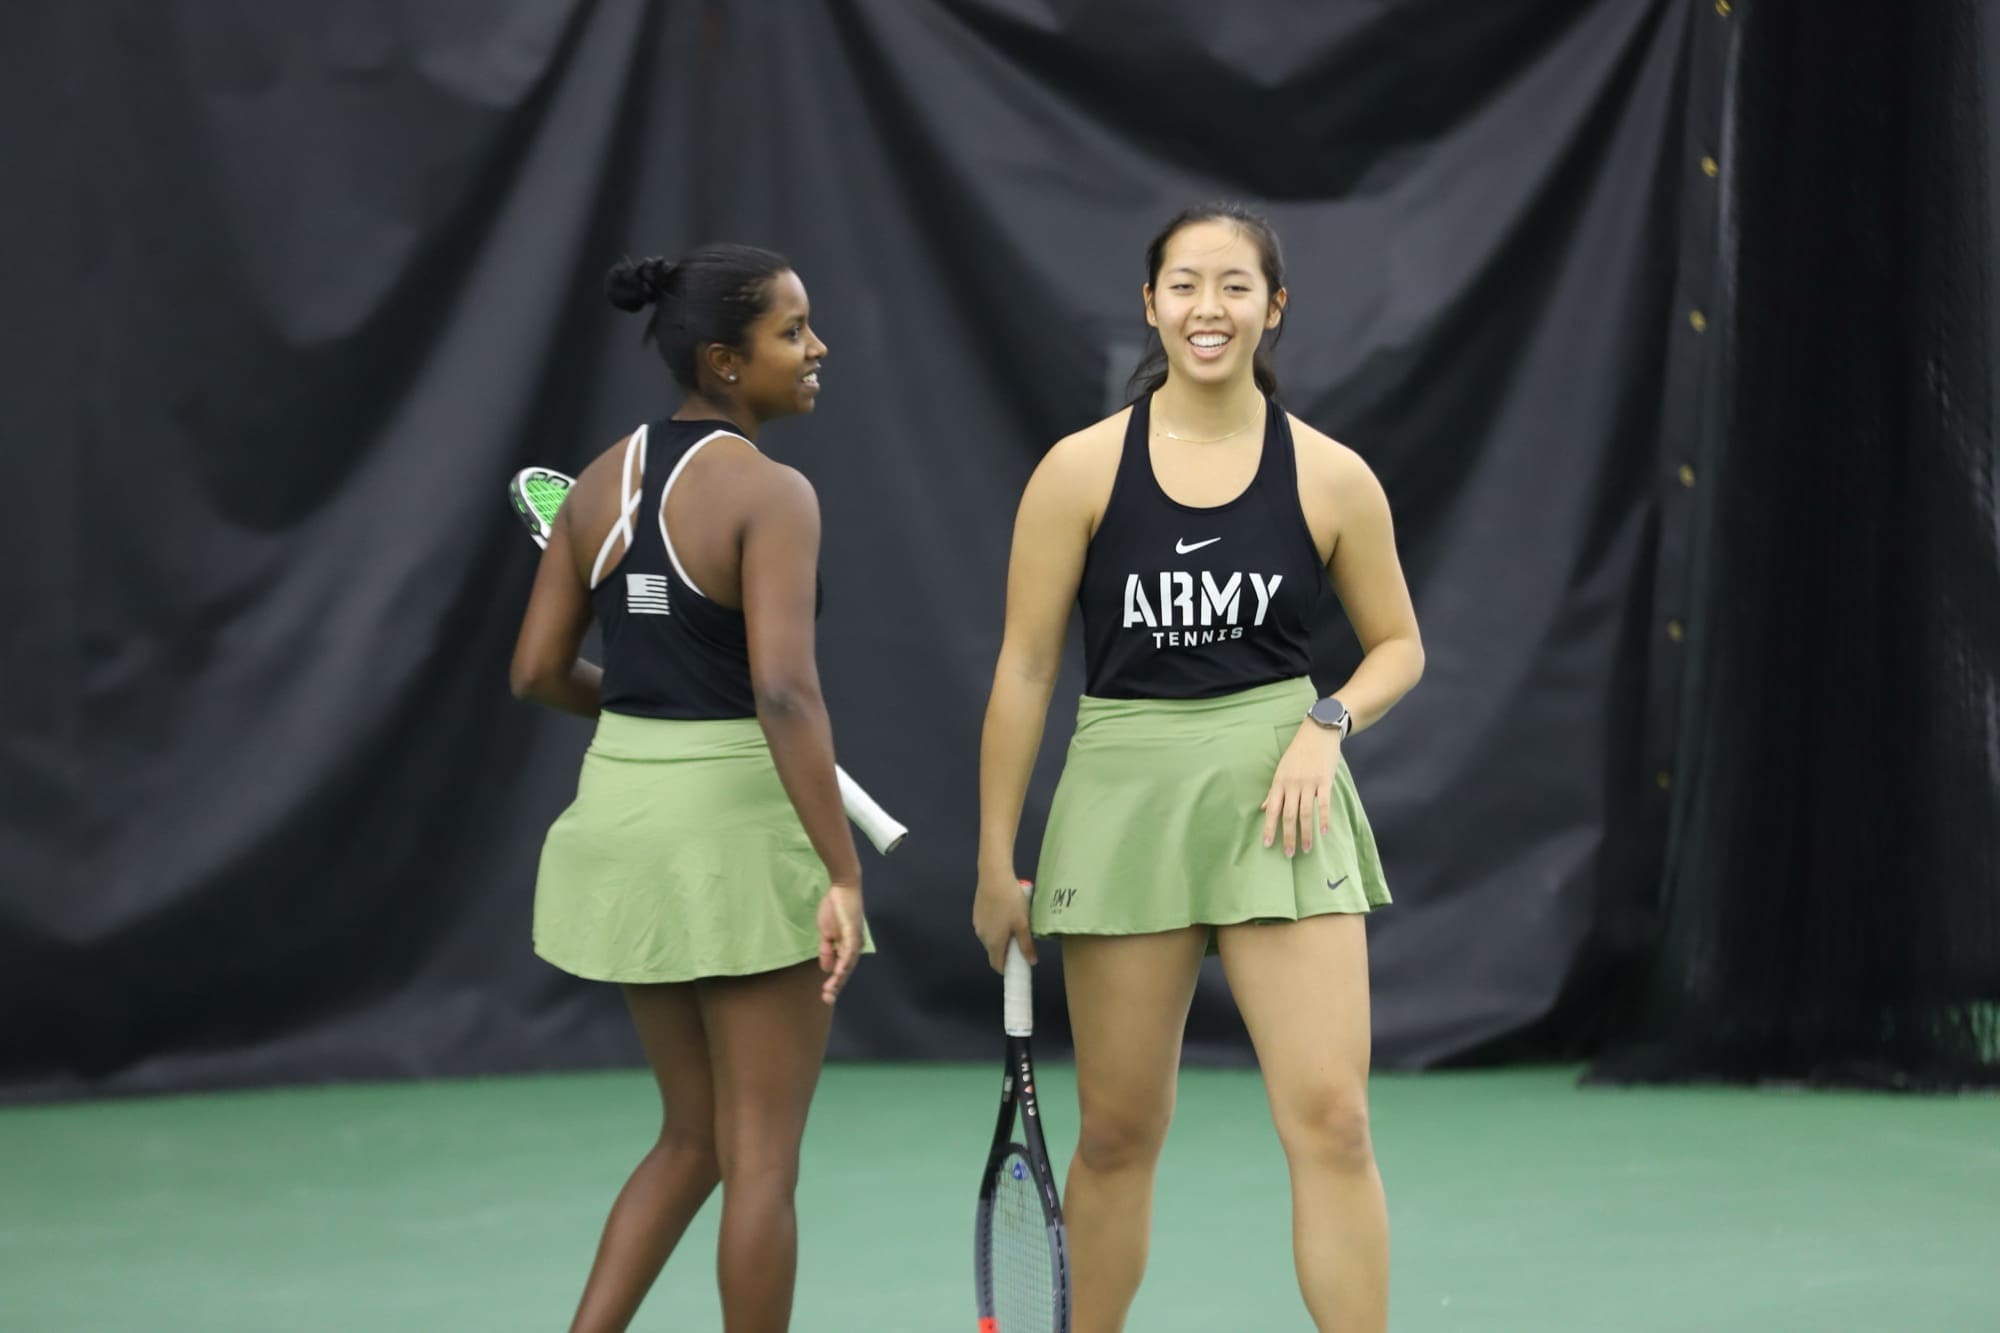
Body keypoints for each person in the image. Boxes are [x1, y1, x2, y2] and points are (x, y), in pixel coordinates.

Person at [972, 203, 1424, 1333]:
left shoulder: (1329, 476)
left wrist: (1326, 722)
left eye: (1233, 286)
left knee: (1332, 1122)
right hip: (1122, 804)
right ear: (1148, 304)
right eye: (1183, 285)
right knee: (1118, 1134)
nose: (1206, 309)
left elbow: (1398, 647)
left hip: (1282, 807)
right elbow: (1026, 671)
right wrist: (992, 860)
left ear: (1272, 309)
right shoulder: (1077, 472)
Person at [510, 244, 868, 1333]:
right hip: (732, 833)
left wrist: (647, 713)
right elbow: (785, 696)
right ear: (723, 361)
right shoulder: (772, 492)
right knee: (760, 1159)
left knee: (693, 1137)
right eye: (790, 332)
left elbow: (534, 672)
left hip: (620, 813)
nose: (816, 350)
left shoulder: (598, 481)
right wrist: (843, 874)